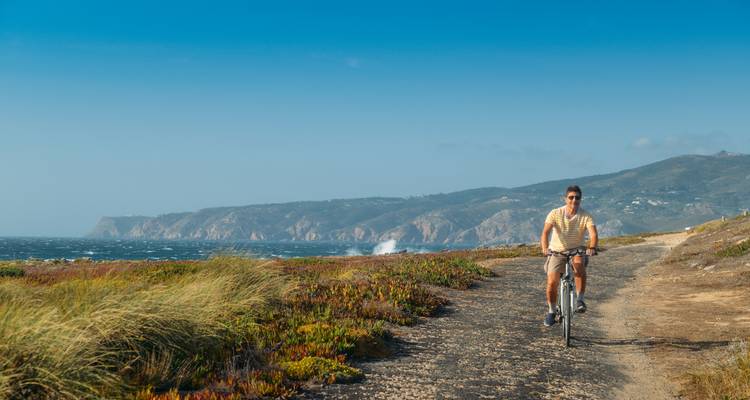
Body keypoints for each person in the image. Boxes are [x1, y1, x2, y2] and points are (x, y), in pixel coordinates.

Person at [539, 185, 598, 327]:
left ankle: (580, 299)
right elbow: (545, 233)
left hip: (576, 249)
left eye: (577, 197)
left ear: (581, 199)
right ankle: (552, 311)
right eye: (571, 197)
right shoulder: (555, 213)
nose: (574, 200)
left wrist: (592, 247)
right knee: (552, 282)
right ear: (565, 199)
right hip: (557, 251)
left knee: (579, 266)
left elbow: (593, 234)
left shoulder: (586, 216)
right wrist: (545, 248)